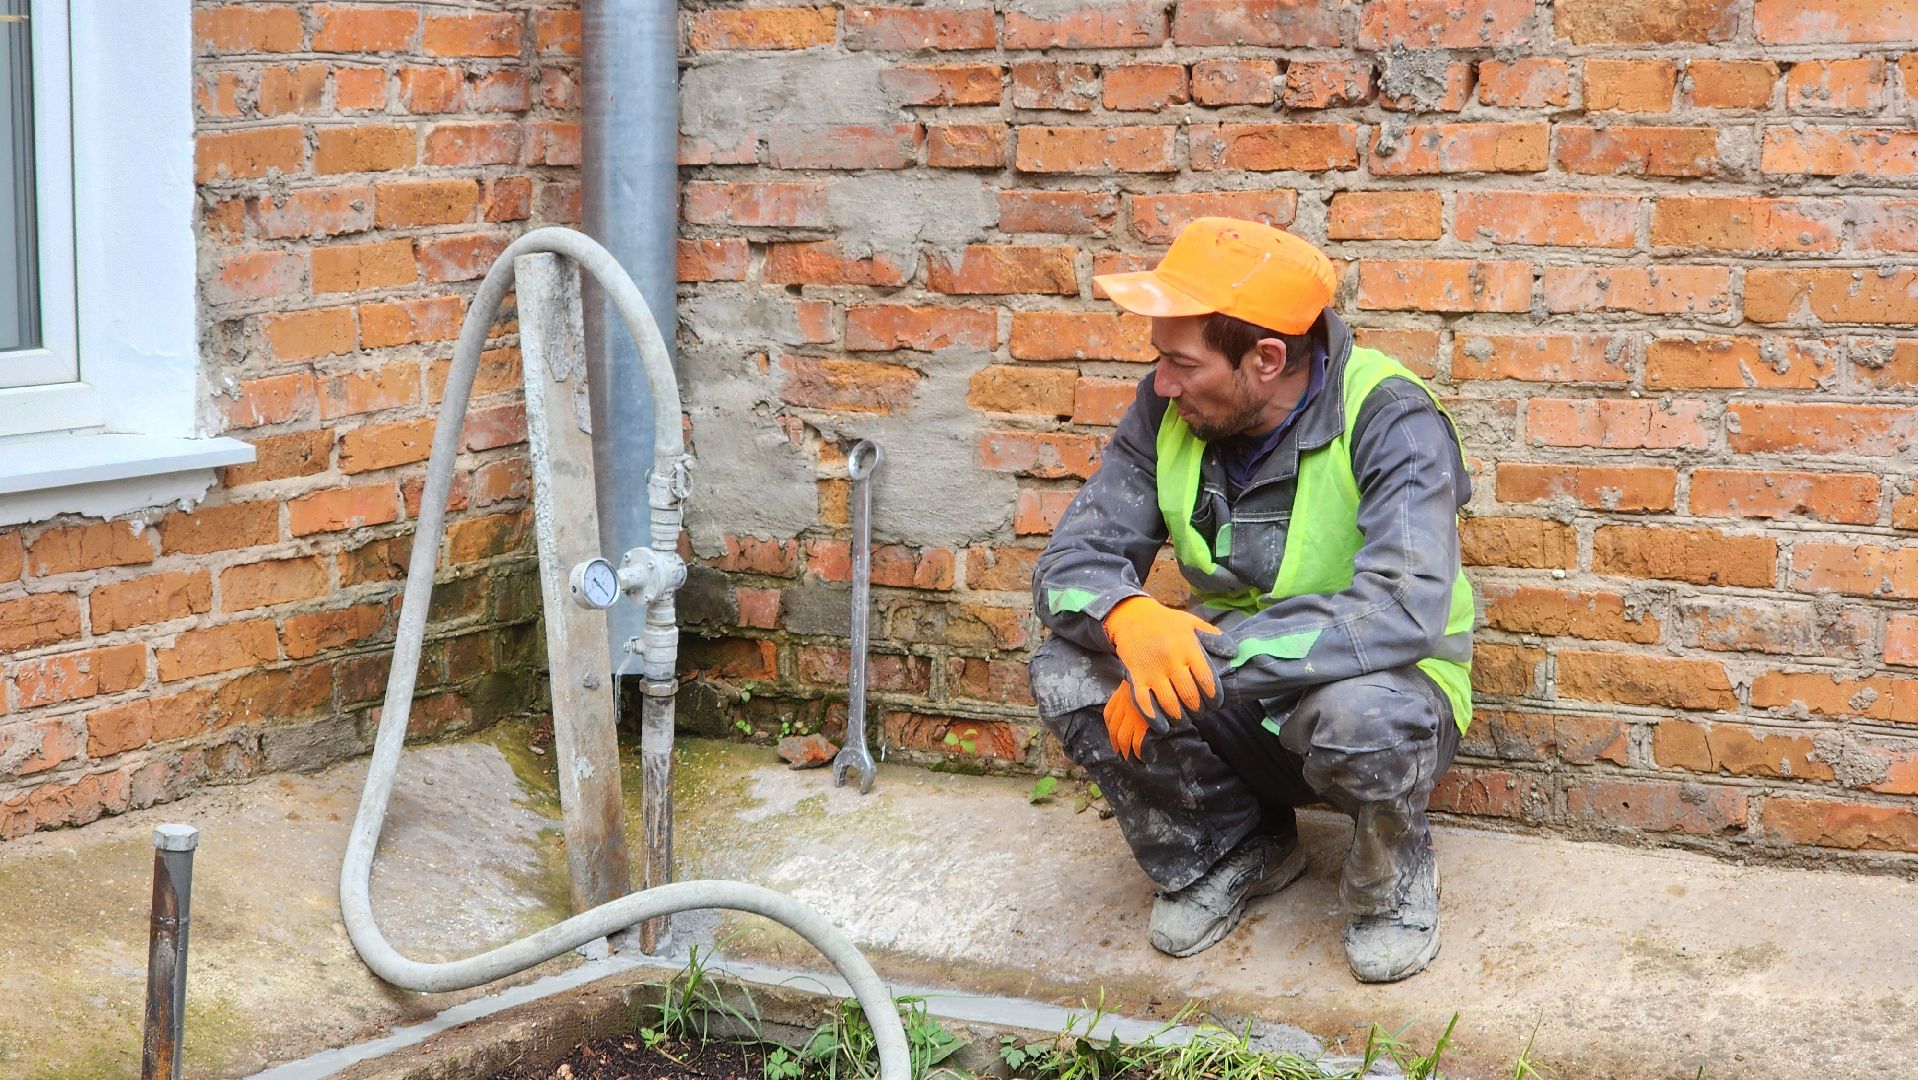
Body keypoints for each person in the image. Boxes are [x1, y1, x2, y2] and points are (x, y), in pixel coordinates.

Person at [1027, 218, 1474, 984]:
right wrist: (1126, 619)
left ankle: (1390, 885)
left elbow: (1403, 606)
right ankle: (1233, 847)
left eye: (1180, 362)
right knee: (1067, 670)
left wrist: (1200, 664)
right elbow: (1072, 561)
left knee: (1365, 717)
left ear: (1266, 359)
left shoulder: (1391, 415)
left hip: (1374, 691)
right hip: (1245, 695)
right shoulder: (1169, 411)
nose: (1162, 382)